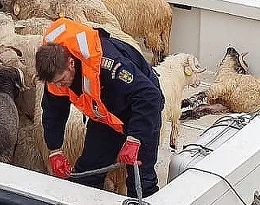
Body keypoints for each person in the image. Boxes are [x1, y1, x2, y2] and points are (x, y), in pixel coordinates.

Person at [35, 17, 165, 196]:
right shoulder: (55, 77)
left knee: (140, 180)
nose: (59, 86)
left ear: (71, 63)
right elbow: (53, 113)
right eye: (54, 83)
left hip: (140, 109)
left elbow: (149, 96)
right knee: (86, 174)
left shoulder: (110, 65)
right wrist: (54, 150)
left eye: (61, 80)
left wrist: (135, 138)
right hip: (105, 115)